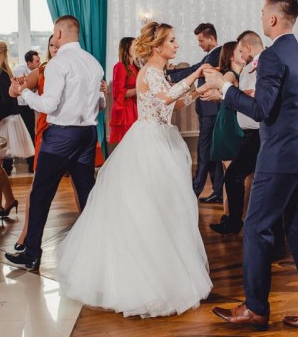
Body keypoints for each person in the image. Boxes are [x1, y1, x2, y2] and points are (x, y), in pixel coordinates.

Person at [53, 21, 212, 317]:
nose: (177, 45)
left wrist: (198, 92)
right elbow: (166, 98)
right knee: (147, 209)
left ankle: (165, 274)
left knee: (165, 209)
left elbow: (172, 106)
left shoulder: (159, 73)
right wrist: (196, 75)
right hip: (149, 144)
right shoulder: (149, 71)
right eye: (172, 40)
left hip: (163, 138)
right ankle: (142, 282)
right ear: (157, 46)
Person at [205, 0, 298, 331]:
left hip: (279, 156)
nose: (262, 17)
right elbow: (286, 103)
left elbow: (261, 110)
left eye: (263, 12)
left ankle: (255, 308)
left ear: (274, 18)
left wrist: (225, 89)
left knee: (256, 227)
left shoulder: (272, 56)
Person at [5, 16, 105, 270]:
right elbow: (100, 103)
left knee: (41, 194)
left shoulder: (59, 63)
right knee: (87, 193)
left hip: (61, 136)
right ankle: (98, 250)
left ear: (59, 33)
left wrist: (23, 92)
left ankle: (32, 253)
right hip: (88, 133)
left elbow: (48, 105)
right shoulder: (93, 63)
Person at [8, 35, 59, 252]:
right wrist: (17, 86)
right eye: (51, 45)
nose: (55, 48)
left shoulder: (77, 67)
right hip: (46, 131)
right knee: (38, 188)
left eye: (58, 44)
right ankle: (26, 234)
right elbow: (14, 91)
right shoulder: (42, 71)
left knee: (82, 187)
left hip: (75, 133)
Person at [209, 31, 262, 235]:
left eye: (242, 50)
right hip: (235, 127)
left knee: (238, 175)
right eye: (238, 52)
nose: (241, 55)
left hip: (253, 131)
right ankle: (234, 218)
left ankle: (237, 219)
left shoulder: (254, 68)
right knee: (234, 174)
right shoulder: (235, 72)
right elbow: (224, 91)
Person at [167, 23, 223, 203]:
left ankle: (195, 190)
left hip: (211, 110)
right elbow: (195, 67)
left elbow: (195, 70)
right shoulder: (211, 55)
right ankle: (218, 191)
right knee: (211, 151)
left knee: (203, 150)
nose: (199, 44)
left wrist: (170, 75)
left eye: (201, 40)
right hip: (208, 110)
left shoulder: (216, 54)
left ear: (211, 38)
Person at [0, 42, 34, 224]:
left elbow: (5, 104)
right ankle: (10, 200)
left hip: (5, 123)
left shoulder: (3, 76)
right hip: (0, 122)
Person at [13, 50, 41, 172]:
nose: (39, 63)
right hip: (18, 106)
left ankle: (32, 165)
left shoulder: (39, 72)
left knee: (31, 134)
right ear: (29, 63)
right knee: (18, 134)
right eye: (37, 61)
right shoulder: (17, 70)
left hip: (31, 106)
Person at [109, 37, 138, 145]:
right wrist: (139, 89)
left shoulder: (134, 67)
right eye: (135, 45)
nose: (137, 47)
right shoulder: (120, 66)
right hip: (125, 109)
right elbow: (118, 92)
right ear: (126, 48)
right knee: (128, 144)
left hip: (134, 107)